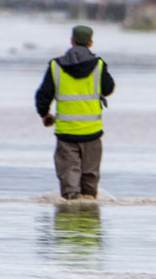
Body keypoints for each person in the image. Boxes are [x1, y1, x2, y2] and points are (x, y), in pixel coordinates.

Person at [34, 24, 116, 201]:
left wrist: (45, 114)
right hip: (92, 132)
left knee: (69, 178)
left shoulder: (56, 66)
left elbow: (43, 95)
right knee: (90, 178)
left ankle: (69, 220)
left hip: (66, 133)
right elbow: (108, 89)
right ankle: (88, 220)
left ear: (72, 41)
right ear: (91, 42)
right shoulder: (99, 65)